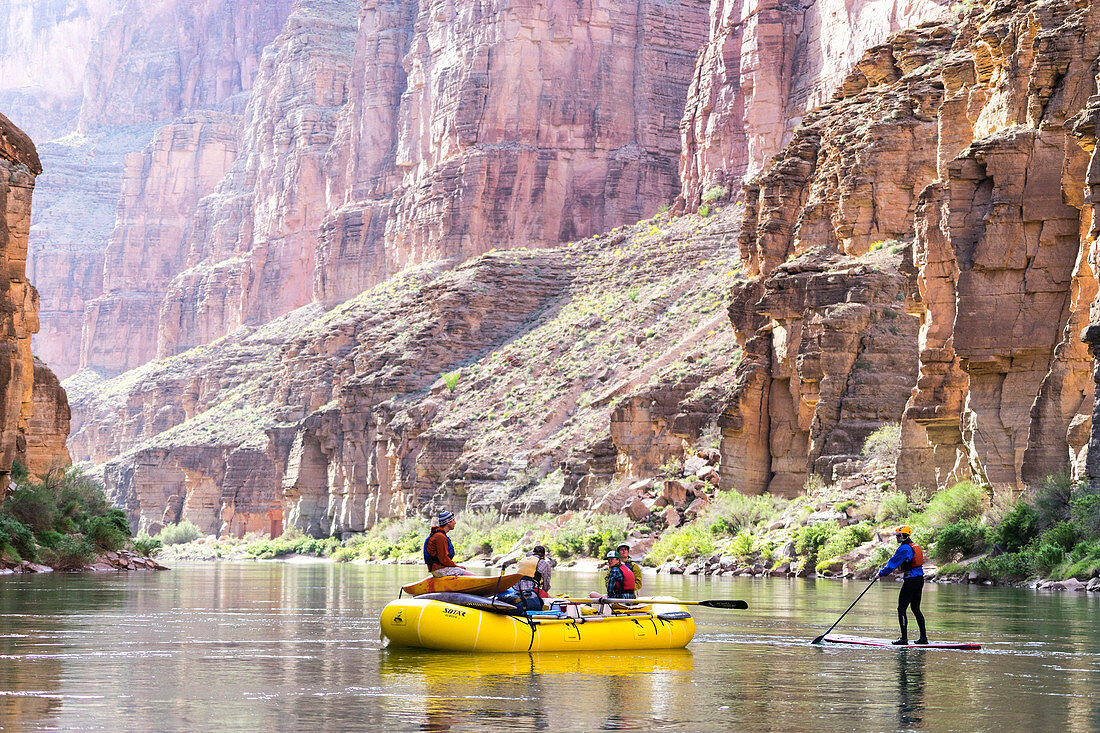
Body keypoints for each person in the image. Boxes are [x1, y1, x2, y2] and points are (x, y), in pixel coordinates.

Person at [879, 525, 928, 645]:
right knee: (915, 608)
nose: (896, 538)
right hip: (919, 580)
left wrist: (881, 573)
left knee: (901, 609)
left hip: (911, 580)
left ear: (903, 536)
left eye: (897, 536)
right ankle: (923, 638)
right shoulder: (914, 545)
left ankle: (904, 639)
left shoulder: (904, 548)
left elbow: (893, 563)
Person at [422, 510, 472, 577]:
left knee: (462, 569)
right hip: (439, 569)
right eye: (453, 520)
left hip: (438, 569)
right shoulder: (440, 537)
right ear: (448, 522)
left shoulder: (439, 535)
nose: (455, 523)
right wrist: (457, 566)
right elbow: (443, 559)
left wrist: (456, 567)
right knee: (470, 575)